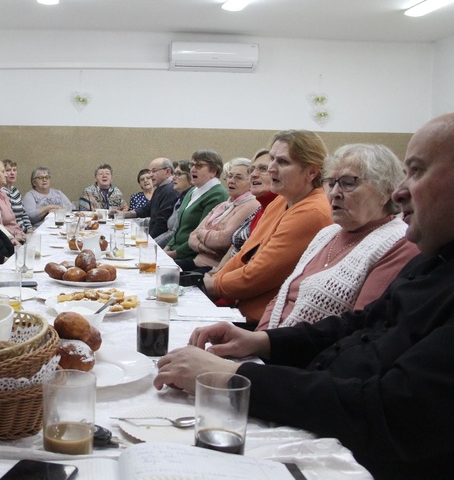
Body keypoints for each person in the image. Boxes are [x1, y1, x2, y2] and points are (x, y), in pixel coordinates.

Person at [154, 112, 454, 478]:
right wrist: (263, 341)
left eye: (418, 171)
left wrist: (236, 376)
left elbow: (393, 410)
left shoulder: (395, 244)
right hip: (311, 398)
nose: (401, 191)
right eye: (333, 182)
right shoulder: (430, 260)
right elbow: (357, 325)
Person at [256, 143, 418, 330]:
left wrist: (265, 346)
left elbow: (359, 328)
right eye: (331, 183)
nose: (334, 193)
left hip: (312, 356)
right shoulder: (327, 234)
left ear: (386, 191)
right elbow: (281, 298)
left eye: (348, 183)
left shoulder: (398, 242)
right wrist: (258, 339)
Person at [202, 130, 333, 324]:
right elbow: (245, 254)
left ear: (311, 172)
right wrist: (216, 280)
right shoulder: (281, 200)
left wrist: (213, 285)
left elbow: (257, 275)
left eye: (282, 162)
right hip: (242, 310)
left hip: (267, 324)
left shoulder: (312, 212)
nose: (271, 168)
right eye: (272, 159)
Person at [182, 157, 260, 271]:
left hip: (213, 268)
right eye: (229, 176)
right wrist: (203, 246)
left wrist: (201, 233)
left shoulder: (251, 205)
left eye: (238, 177)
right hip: (197, 261)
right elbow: (192, 237)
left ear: (251, 182)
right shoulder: (224, 205)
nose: (231, 181)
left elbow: (224, 240)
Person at [163, 150, 228, 260]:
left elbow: (200, 235)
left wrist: (174, 254)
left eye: (199, 165)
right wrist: (167, 248)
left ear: (213, 171)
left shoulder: (217, 195)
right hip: (175, 251)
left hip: (192, 256)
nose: (192, 169)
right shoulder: (192, 190)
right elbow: (179, 229)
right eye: (192, 165)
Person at [124, 158, 179, 239]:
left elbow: (162, 224)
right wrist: (126, 214)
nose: (150, 175)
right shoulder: (160, 188)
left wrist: (148, 240)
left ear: (167, 171)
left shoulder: (171, 190)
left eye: (154, 171)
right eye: (150, 171)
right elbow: (147, 209)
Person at [0, 159, 27, 244]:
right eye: (3, 172)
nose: (6, 175)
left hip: (18, 236)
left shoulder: (2, 193)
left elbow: (13, 221)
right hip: (8, 241)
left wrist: (21, 233)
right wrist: (14, 237)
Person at [155, 161, 193, 247]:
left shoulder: (190, 199)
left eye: (178, 174)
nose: (173, 178)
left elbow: (173, 233)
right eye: (174, 174)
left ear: (191, 177)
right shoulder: (180, 198)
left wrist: (152, 245)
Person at [2, 159, 33, 234]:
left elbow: (24, 213)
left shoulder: (15, 191)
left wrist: (30, 228)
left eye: (14, 170)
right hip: (14, 231)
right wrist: (26, 230)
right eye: (8, 170)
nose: (12, 173)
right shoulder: (2, 192)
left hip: (24, 230)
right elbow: (11, 219)